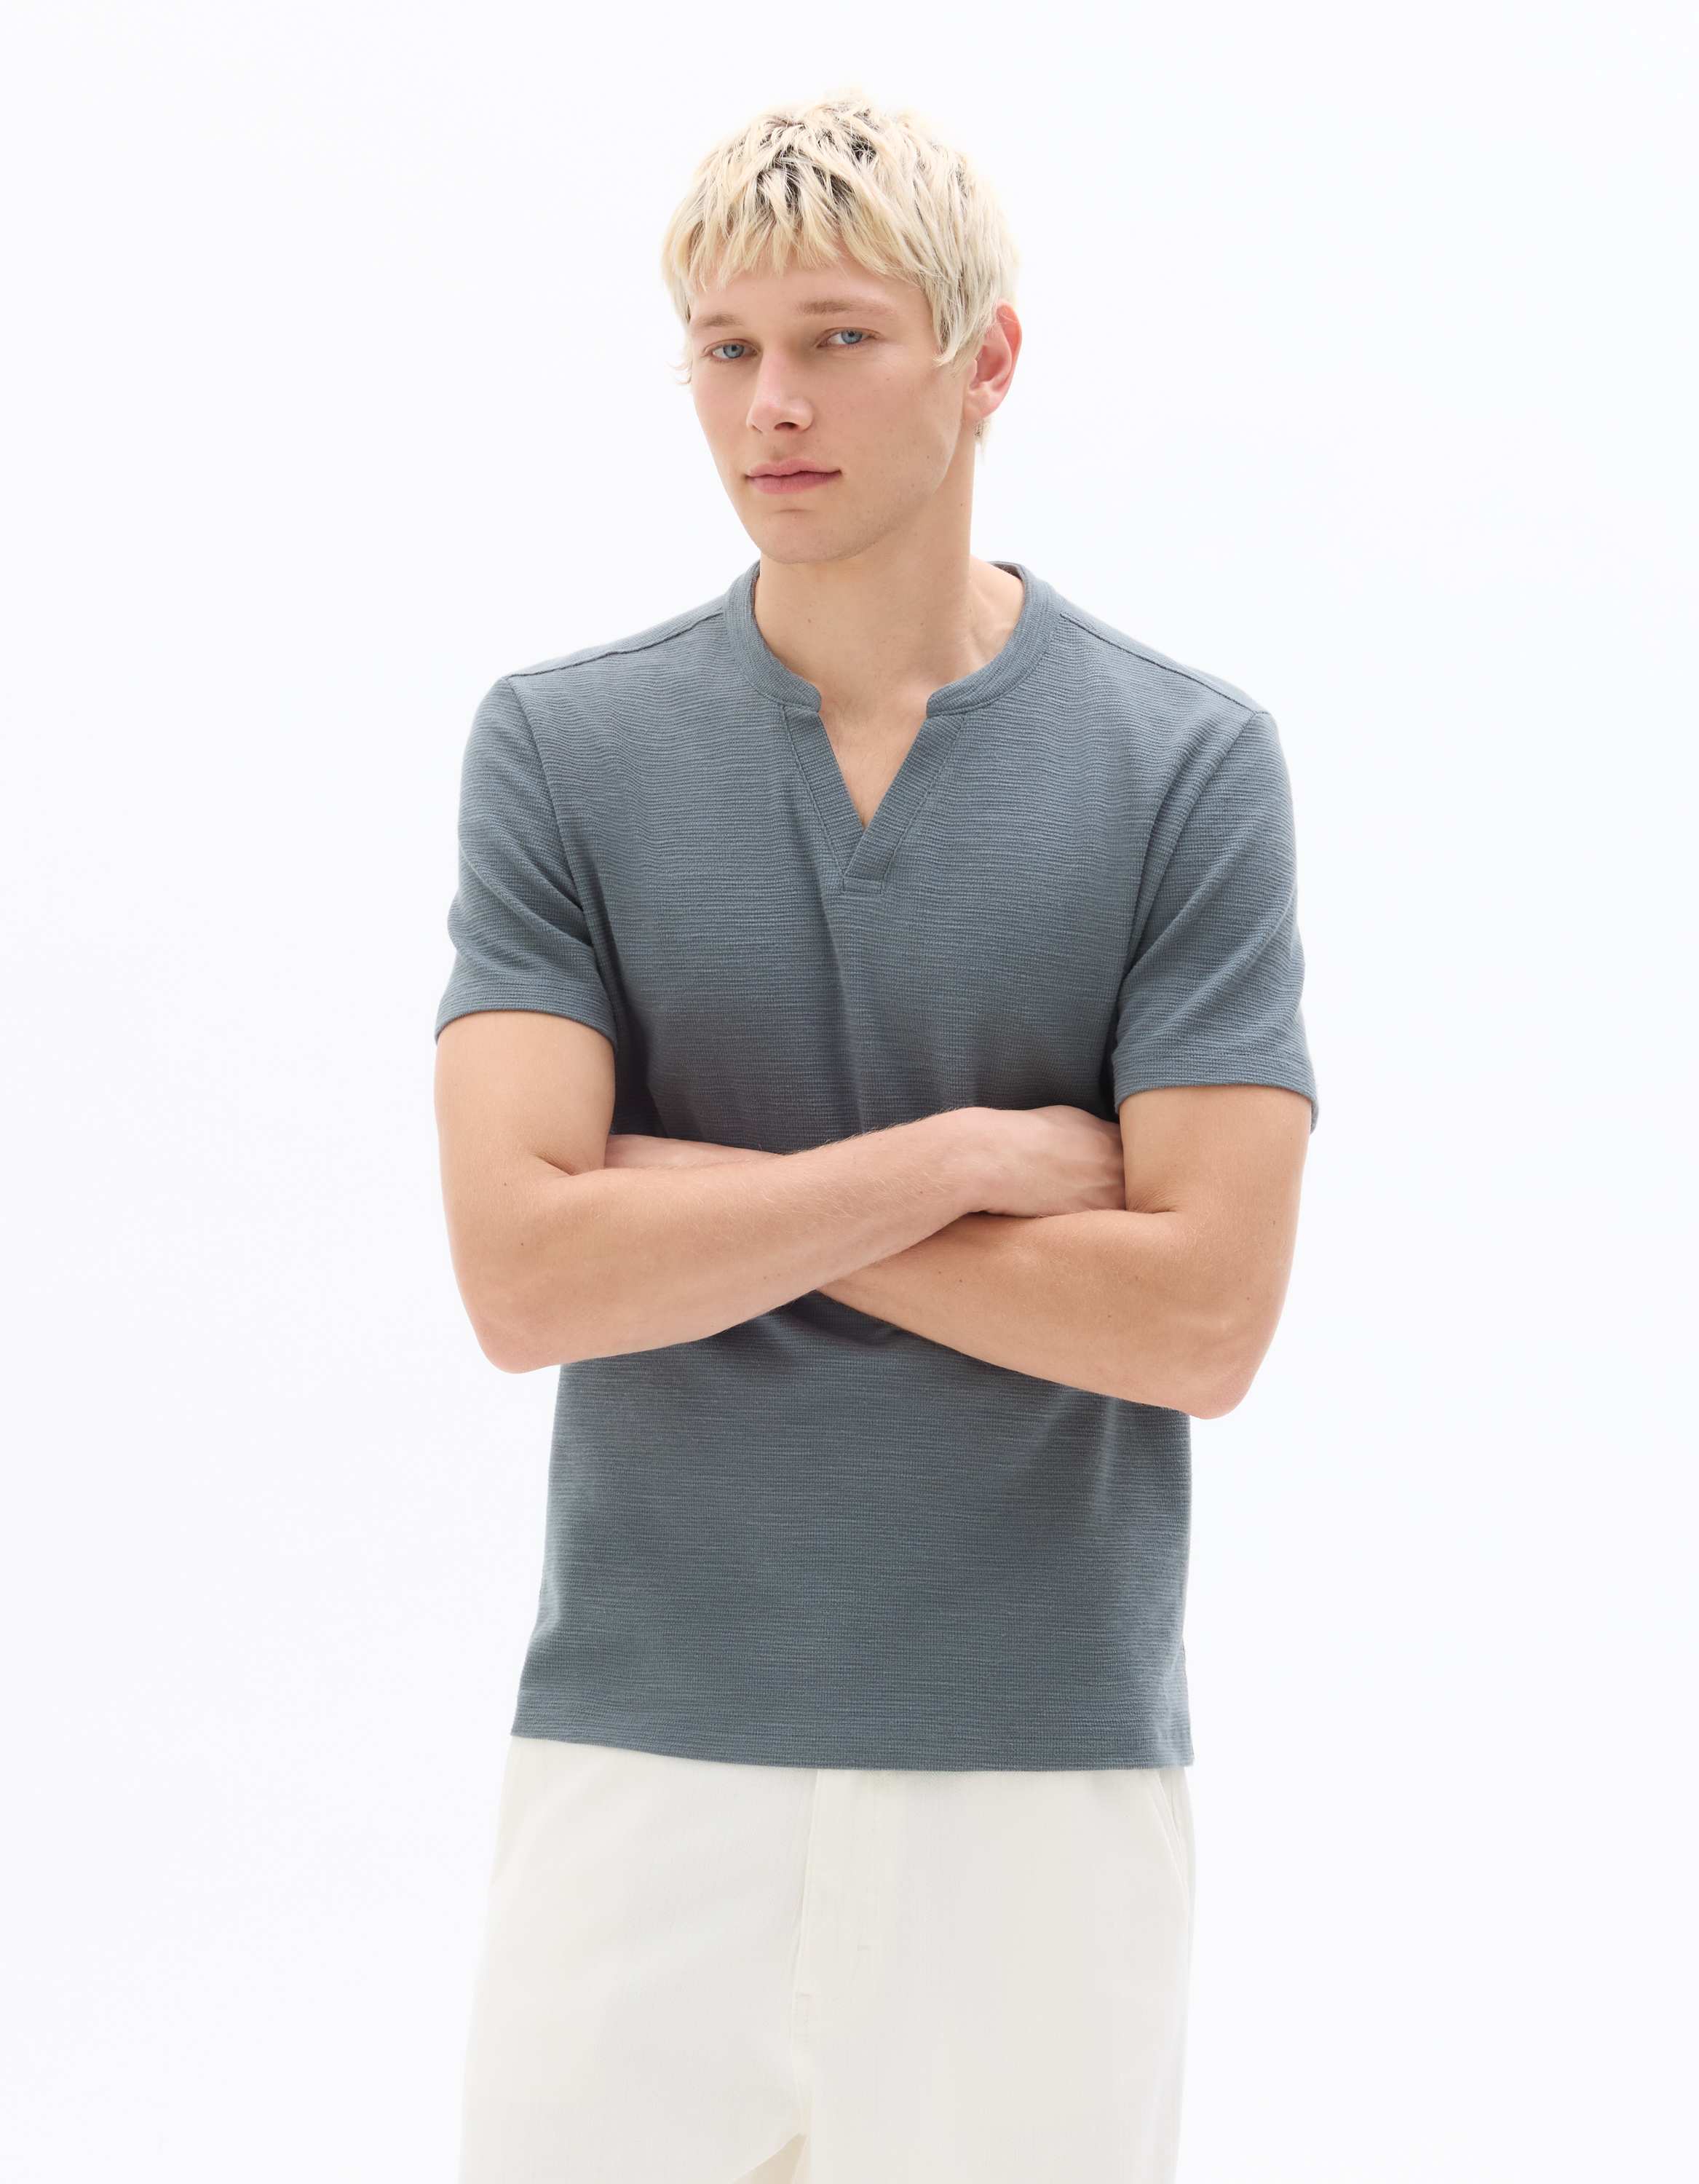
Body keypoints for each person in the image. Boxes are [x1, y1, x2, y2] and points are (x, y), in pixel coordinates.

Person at [433, 91, 1316, 2184]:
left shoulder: (1184, 765)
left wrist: (674, 1201)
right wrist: (961, 1161)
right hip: (644, 1754)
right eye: (726, 349)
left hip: (1040, 1775)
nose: (774, 405)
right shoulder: (563, 750)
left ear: (985, 359)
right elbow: (522, 1279)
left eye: (839, 339)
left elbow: (1201, 1323)